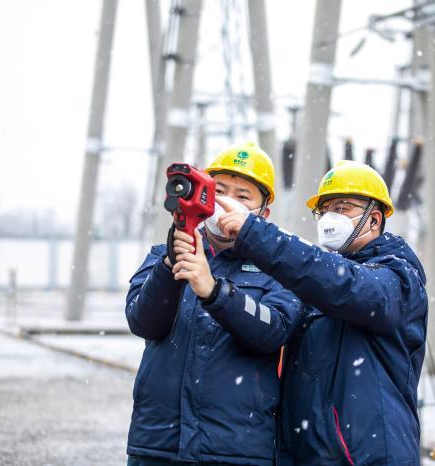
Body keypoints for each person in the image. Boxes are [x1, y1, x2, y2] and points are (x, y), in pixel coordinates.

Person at [217, 160, 429, 466]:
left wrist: (256, 234)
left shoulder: (397, 276)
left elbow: (346, 285)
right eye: (325, 209)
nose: (331, 217)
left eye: (342, 207)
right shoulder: (318, 283)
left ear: (374, 220)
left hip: (369, 457)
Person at [124, 142, 304, 465]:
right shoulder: (162, 255)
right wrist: (170, 264)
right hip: (158, 445)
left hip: (236, 451)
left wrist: (214, 292)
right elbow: (142, 321)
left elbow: (273, 330)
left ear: (264, 212)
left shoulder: (279, 269)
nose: (226, 202)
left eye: (242, 196)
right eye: (218, 190)